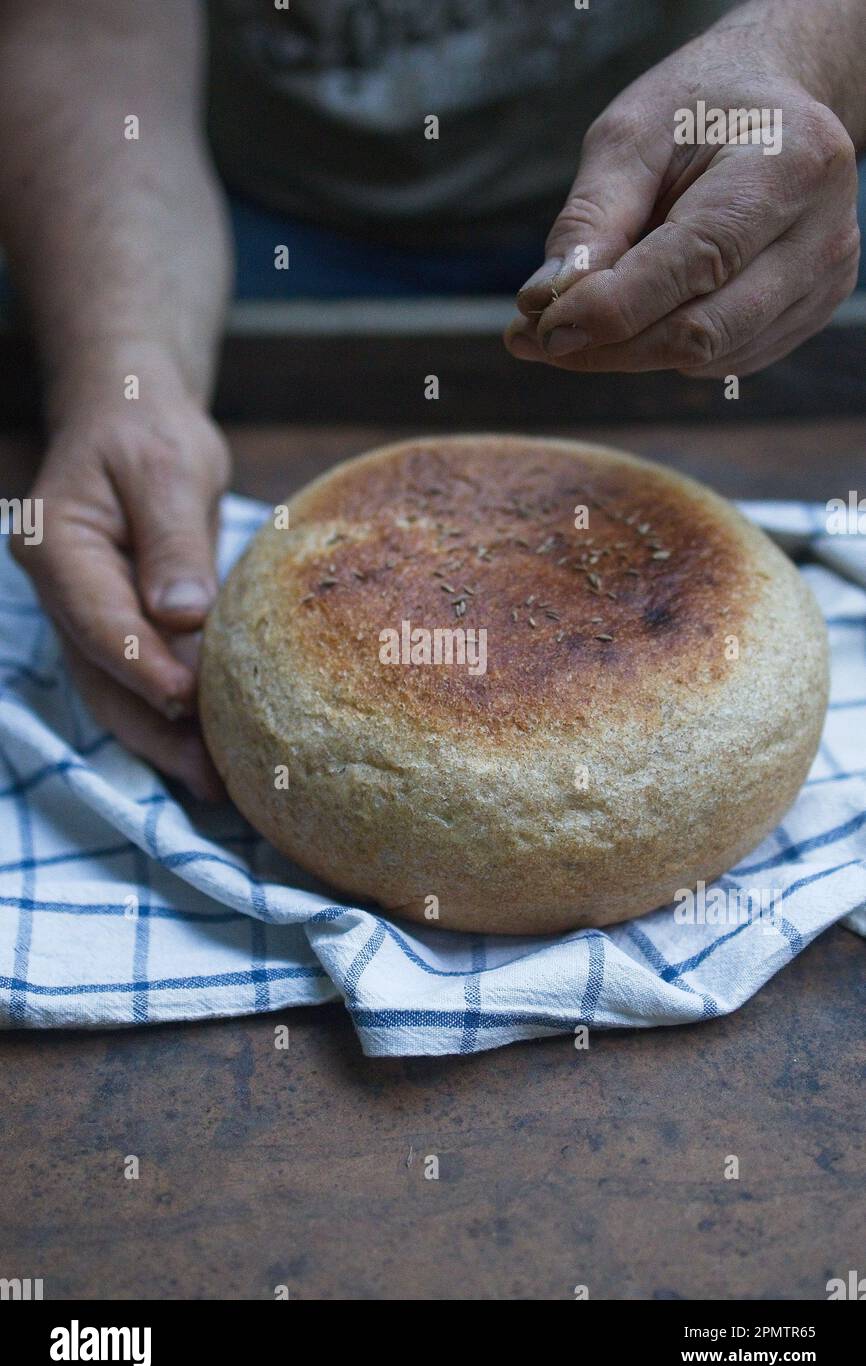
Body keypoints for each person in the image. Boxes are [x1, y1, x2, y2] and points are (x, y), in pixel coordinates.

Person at [0, 0, 861, 797]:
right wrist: (125, 378)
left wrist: (807, 51)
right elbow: (91, 29)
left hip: (719, 170)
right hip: (258, 221)